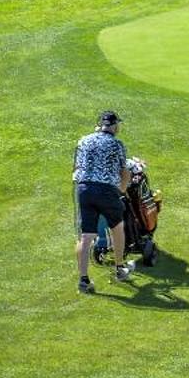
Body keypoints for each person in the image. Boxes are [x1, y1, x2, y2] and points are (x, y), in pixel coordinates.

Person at [73, 110, 133, 294]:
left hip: (84, 189)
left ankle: (83, 280)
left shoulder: (83, 140)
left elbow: (76, 168)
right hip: (106, 190)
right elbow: (124, 172)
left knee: (86, 235)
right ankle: (119, 268)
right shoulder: (117, 144)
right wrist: (122, 191)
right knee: (117, 227)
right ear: (114, 126)